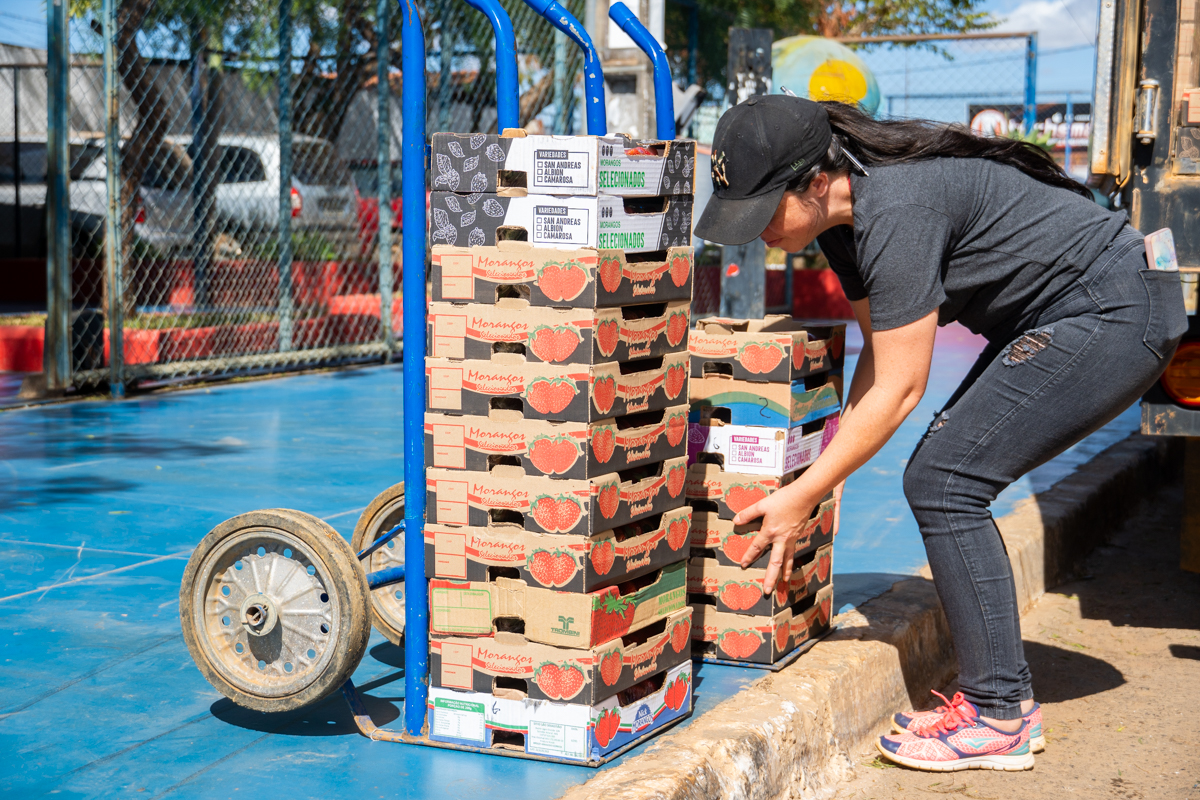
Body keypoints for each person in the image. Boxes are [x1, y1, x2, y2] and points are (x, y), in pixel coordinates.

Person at [693, 95, 1188, 773]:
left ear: (813, 180)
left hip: (1113, 311)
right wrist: (813, 464)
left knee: (945, 482)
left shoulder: (895, 204)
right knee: (941, 474)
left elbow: (902, 388)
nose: (754, 234)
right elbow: (879, 352)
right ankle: (999, 705)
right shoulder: (844, 221)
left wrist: (805, 492)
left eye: (761, 211)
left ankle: (999, 715)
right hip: (1072, 313)